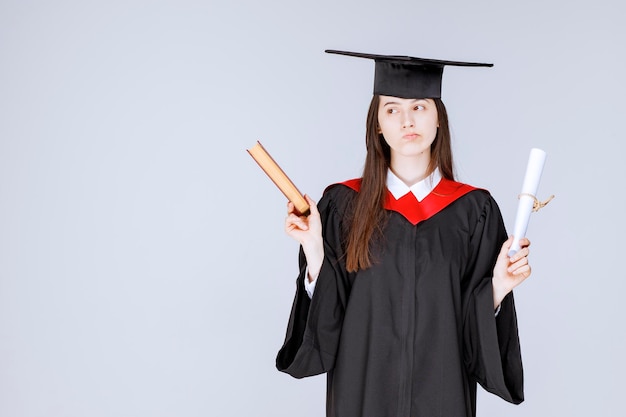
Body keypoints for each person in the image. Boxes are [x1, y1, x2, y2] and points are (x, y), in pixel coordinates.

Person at [276, 50, 532, 417]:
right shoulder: (343, 205)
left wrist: (497, 289)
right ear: (377, 124)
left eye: (420, 107)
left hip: (441, 396)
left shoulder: (474, 211)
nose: (407, 121)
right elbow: (328, 320)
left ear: (438, 119)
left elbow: (473, 333)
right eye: (392, 109)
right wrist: (313, 247)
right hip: (361, 394)